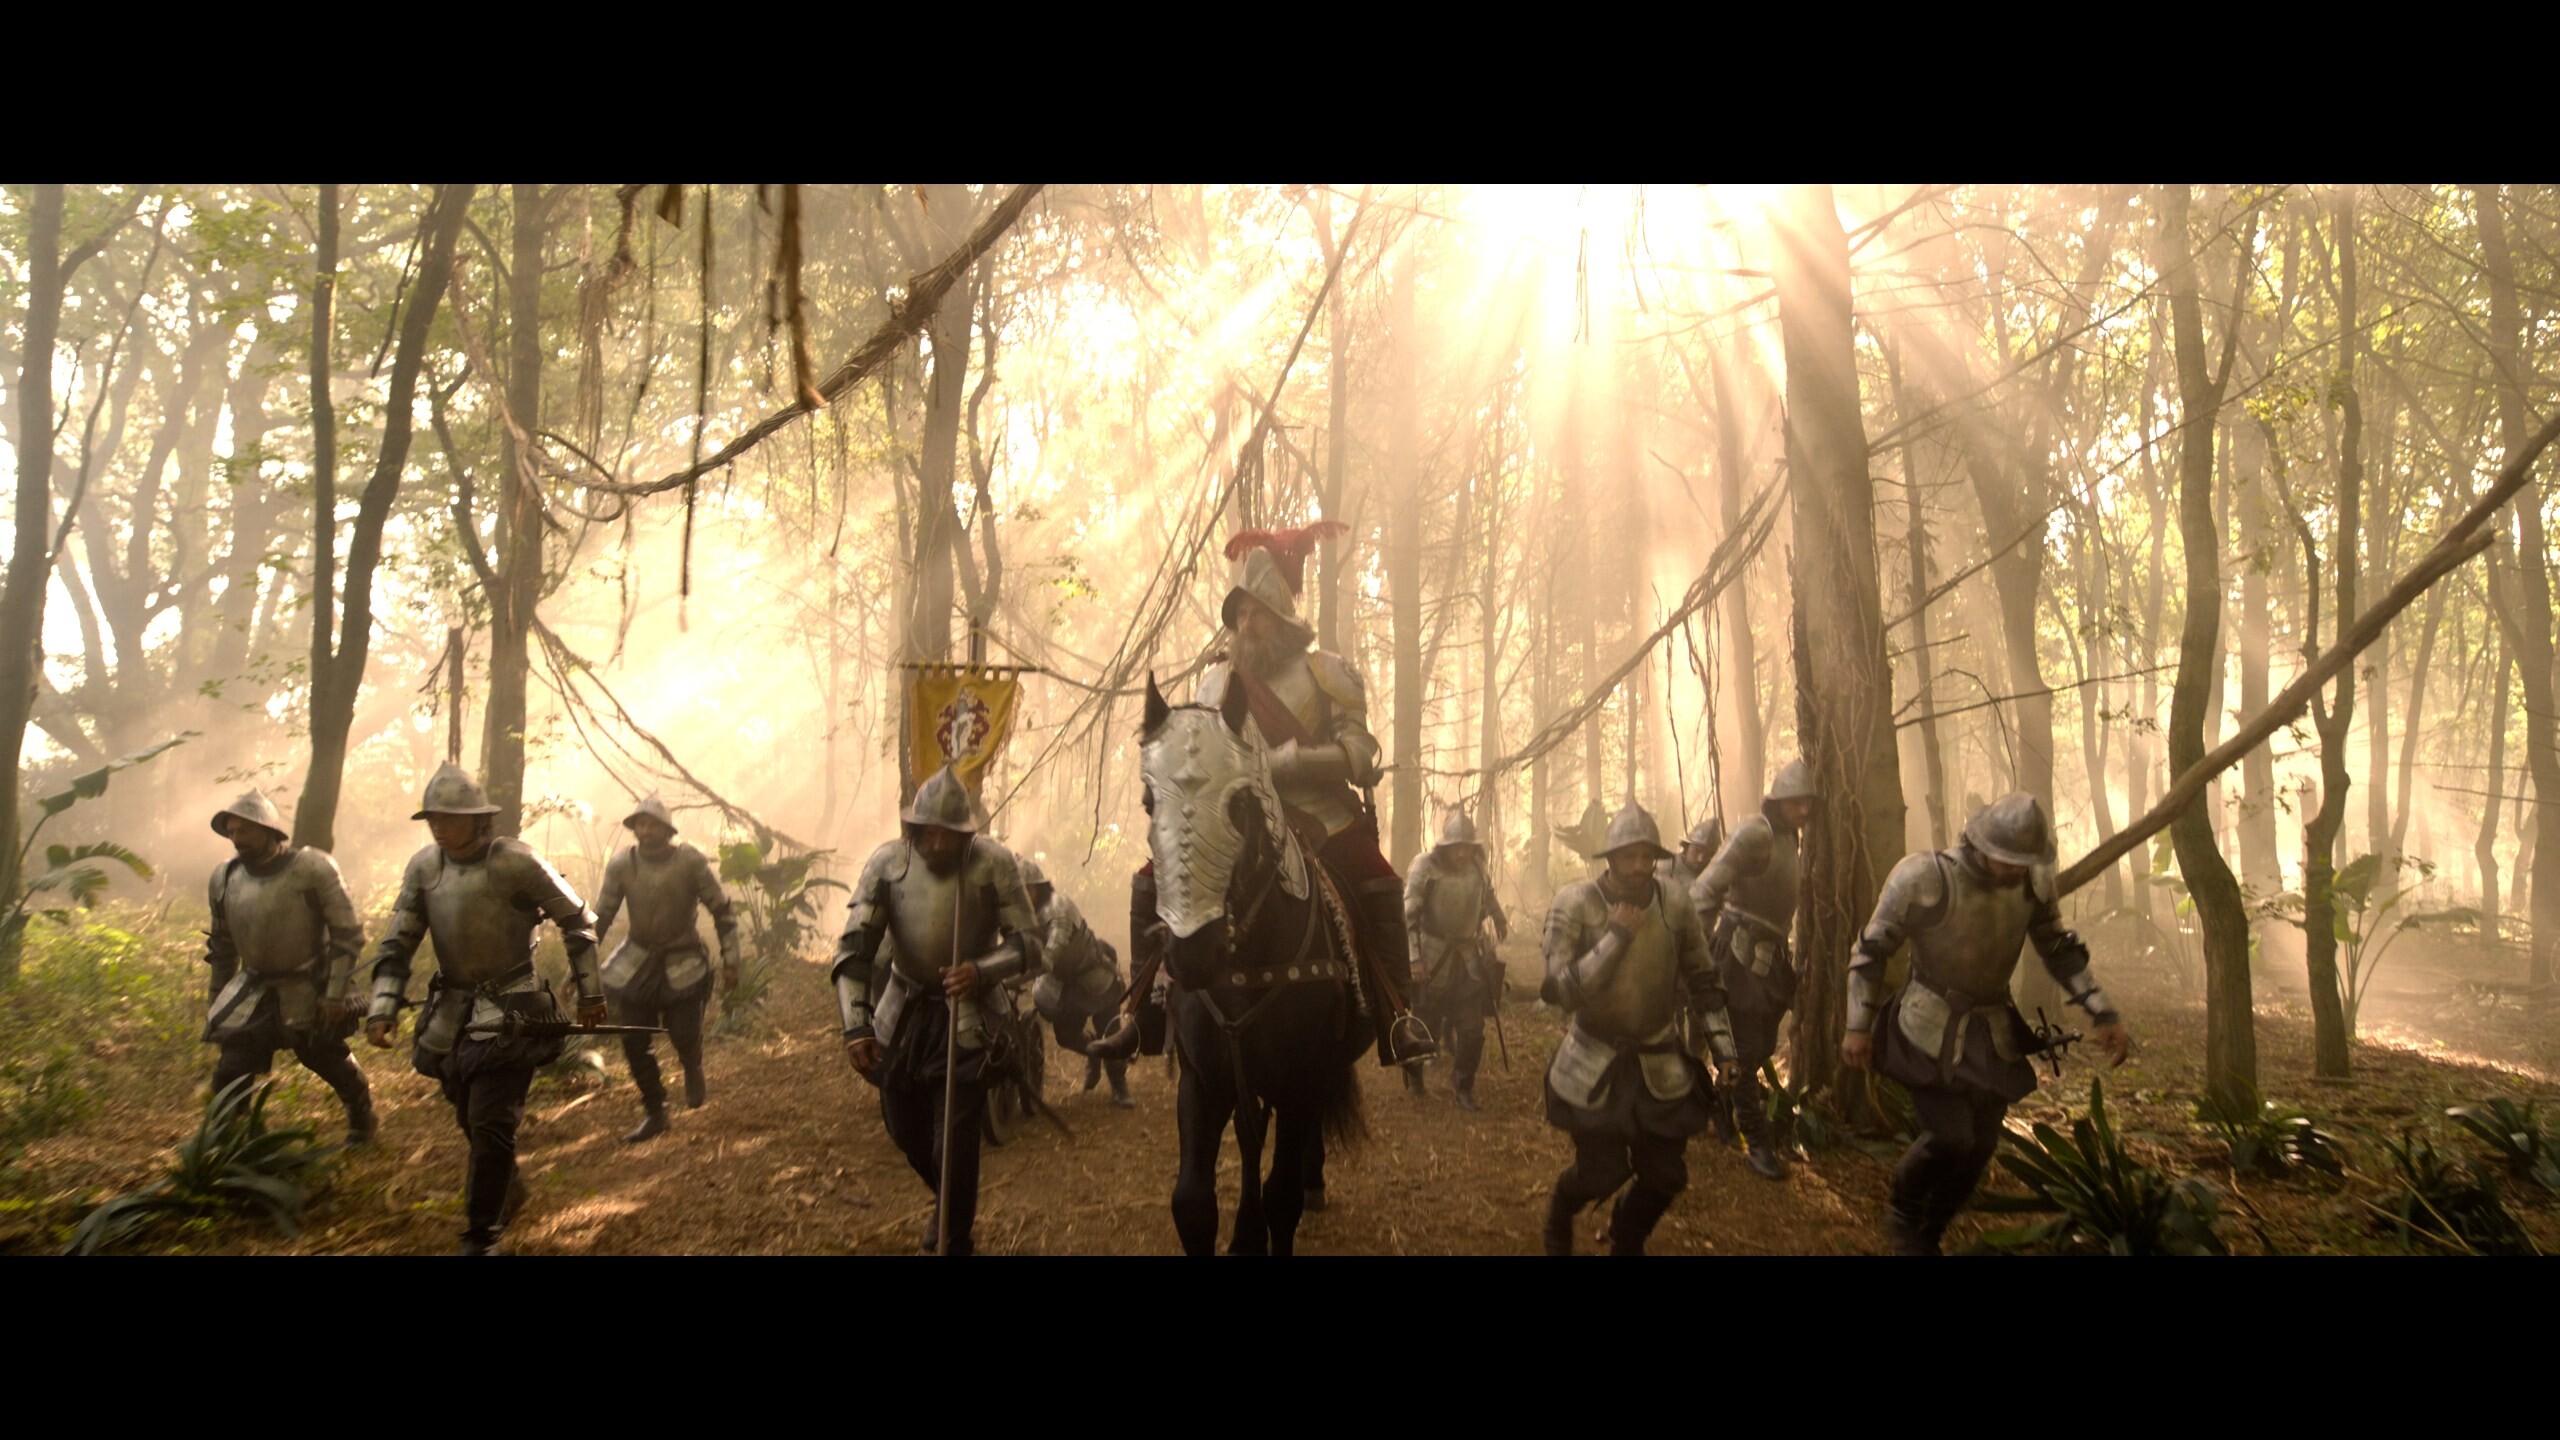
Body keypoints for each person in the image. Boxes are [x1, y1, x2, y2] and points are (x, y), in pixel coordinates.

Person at [1842, 792, 2132, 1255]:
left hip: (1993, 1030)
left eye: (2023, 862)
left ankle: (1930, 1231)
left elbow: (2058, 948)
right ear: (1980, 844)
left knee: (1981, 1146)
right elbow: (1871, 951)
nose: (2015, 869)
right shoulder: (1925, 876)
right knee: (1951, 1136)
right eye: (2006, 859)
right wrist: (1858, 1025)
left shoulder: (2033, 882)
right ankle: (1903, 1214)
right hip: (1926, 1023)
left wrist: (2102, 1010)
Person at [1197, 525, 1431, 1067]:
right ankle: (1146, 1004)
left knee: (1381, 881)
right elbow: (1202, 755)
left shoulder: (1328, 672)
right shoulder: (1217, 683)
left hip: (1322, 818)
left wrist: (1293, 761)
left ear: (1281, 614)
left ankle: (1399, 1014)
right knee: (1157, 874)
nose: (1245, 624)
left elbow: (1362, 753)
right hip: (1241, 819)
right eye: (1239, 614)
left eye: (1256, 612)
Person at [364, 762, 606, 1256]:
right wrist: (383, 1004)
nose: (438, 826)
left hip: (514, 1010)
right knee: (470, 1119)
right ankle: (506, 1188)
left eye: (449, 817)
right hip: (451, 1012)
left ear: (478, 820)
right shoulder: (424, 867)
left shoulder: (517, 861)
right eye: (433, 817)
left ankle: (481, 1236)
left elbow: (578, 921)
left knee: (492, 1123)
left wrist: (591, 994)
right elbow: (398, 943)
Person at [830, 765, 1046, 1255]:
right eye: (929, 833)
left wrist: (980, 970)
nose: (939, 843)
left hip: (968, 1011)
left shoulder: (993, 863)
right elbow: (854, 950)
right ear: (914, 828)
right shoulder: (888, 863)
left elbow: (1029, 944)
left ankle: (952, 1235)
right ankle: (950, 1202)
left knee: (954, 1139)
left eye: (950, 834)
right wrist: (855, 1026)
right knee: (904, 1127)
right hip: (903, 1008)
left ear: (967, 833)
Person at [1539, 802, 1742, 1256]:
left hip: (1658, 1058)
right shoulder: (1576, 902)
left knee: (1666, 1175)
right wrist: (1616, 937)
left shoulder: (1675, 901)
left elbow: (1704, 980)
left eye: (1646, 856)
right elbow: (1560, 990)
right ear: (1610, 858)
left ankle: (1627, 1238)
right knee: (1600, 1174)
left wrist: (1725, 1052)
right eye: (1628, 856)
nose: (1638, 865)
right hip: (1593, 1058)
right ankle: (1559, 1213)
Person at [198, 788, 374, 1146]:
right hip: (252, 987)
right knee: (233, 1066)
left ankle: (362, 1116)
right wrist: (217, 997)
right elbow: (223, 946)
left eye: (245, 830)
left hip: (309, 983)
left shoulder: (312, 868)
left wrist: (334, 994)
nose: (237, 839)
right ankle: (229, 1143)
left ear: (269, 830)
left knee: (325, 1058)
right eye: (232, 831)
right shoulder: (225, 877)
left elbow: (347, 935)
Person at [591, 793, 742, 1144]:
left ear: (666, 829)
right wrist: (579, 969)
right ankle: (655, 1111)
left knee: (684, 1033)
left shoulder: (689, 861)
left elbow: (721, 910)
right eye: (640, 824)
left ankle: (692, 1063)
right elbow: (600, 918)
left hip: (683, 959)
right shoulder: (622, 864)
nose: (646, 831)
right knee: (633, 1039)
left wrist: (731, 961)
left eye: (652, 825)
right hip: (637, 960)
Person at [1691, 760, 1816, 1181]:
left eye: (1807, 803)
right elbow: (1706, 889)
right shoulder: (1754, 832)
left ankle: (1720, 1102)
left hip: (1771, 956)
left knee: (1762, 1045)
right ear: (1776, 801)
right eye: (1794, 802)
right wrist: (1696, 954)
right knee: (1744, 1050)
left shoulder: (1789, 839)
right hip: (1737, 952)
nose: (1802, 810)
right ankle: (1756, 1140)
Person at [1403, 809, 1510, 1110]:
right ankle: (1416, 1076)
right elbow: (1409, 916)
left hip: (1468, 959)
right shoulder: (1425, 866)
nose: (1462, 853)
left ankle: (1463, 1084)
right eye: (1456, 847)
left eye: (1467, 847)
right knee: (1424, 1026)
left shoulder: (1477, 868)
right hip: (1432, 958)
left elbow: (1487, 895)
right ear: (1445, 846)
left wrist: (1499, 917)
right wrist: (1415, 959)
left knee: (1472, 1030)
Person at [1023, 859, 1133, 1109]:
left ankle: (1119, 1086)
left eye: (1026, 889)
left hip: (1095, 979)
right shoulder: (1022, 916)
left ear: (1038, 888)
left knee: (1110, 1034)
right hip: (1061, 986)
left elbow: (1050, 954)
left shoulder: (1058, 908)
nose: (1022, 896)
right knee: (1066, 1037)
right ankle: (1094, 1054)